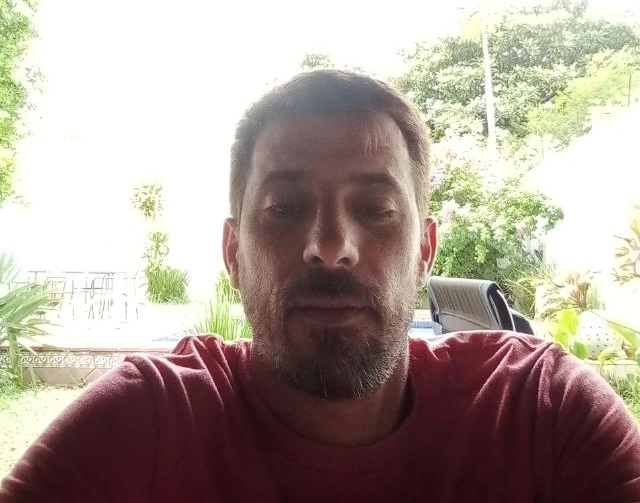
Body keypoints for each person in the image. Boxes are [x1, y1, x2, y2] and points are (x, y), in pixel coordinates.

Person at [1, 70, 639, 502]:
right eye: (284, 208)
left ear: (424, 251)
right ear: (233, 253)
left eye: (376, 209)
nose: (330, 247)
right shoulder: (149, 423)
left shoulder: (538, 411)